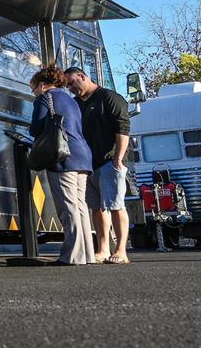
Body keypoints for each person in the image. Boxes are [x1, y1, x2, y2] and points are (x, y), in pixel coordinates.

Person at [29, 64, 96, 266]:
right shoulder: (71, 100)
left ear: (42, 85)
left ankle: (71, 256)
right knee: (80, 206)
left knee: (68, 207)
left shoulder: (44, 98)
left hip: (63, 157)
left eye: (32, 89)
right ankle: (87, 255)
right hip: (83, 156)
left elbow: (37, 127)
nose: (33, 93)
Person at [64, 67, 132, 264]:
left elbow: (123, 128)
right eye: (67, 85)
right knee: (96, 208)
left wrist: (118, 158)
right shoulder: (76, 104)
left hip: (110, 161)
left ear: (82, 76)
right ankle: (103, 250)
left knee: (116, 206)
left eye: (71, 83)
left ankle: (121, 251)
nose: (70, 88)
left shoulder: (109, 97)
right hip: (87, 164)